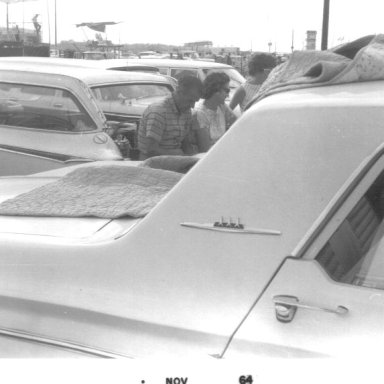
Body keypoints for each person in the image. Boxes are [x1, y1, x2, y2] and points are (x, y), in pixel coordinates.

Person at [137, 75, 203, 159]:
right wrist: (177, 155)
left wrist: (192, 158)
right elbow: (150, 150)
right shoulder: (158, 112)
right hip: (153, 163)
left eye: (195, 101)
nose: (193, 106)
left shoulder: (186, 112)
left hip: (175, 161)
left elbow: (185, 143)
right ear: (179, 92)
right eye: (190, 100)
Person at [193, 72, 237, 152]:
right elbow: (205, 149)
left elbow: (238, 124)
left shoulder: (221, 106)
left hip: (224, 151)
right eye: (227, 90)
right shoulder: (200, 113)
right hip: (211, 156)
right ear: (216, 90)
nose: (228, 95)